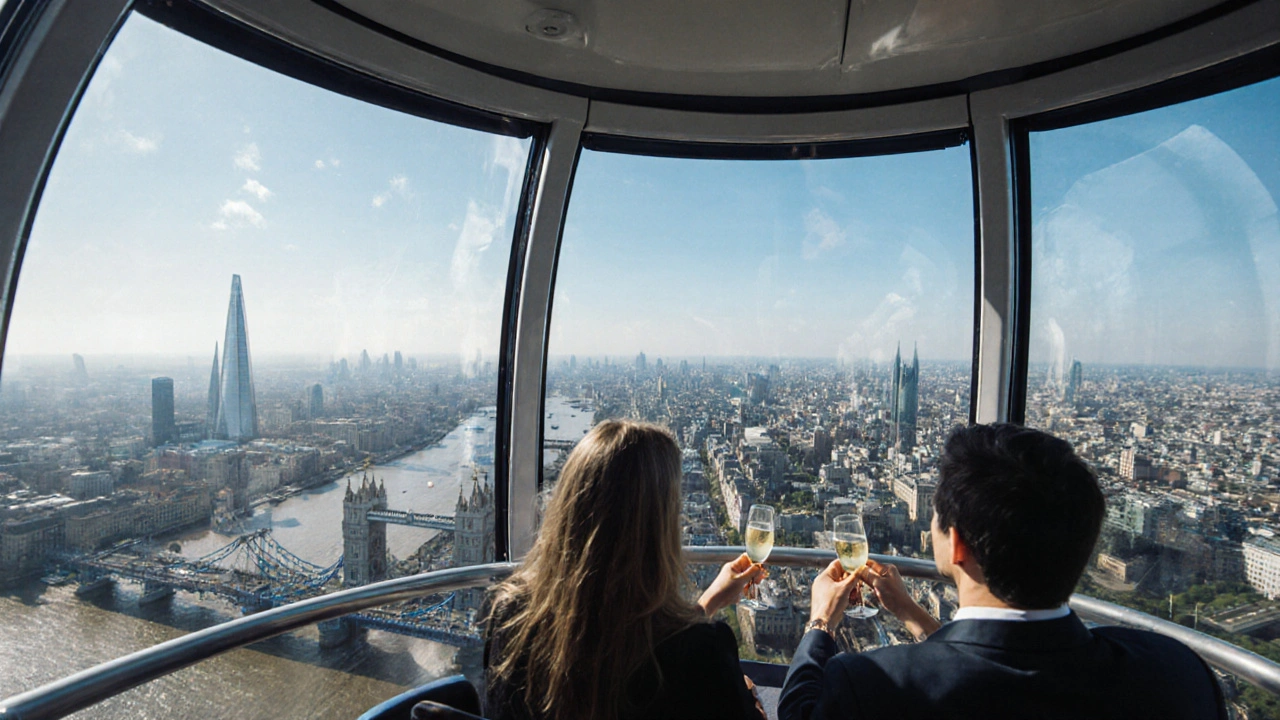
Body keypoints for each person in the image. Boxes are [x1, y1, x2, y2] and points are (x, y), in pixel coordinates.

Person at [779, 423, 1228, 720]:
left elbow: (798, 711)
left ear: (957, 544)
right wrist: (916, 616)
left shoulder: (872, 686)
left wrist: (821, 621)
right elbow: (997, 662)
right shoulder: (1178, 675)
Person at [483, 419, 767, 720]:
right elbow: (653, 654)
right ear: (660, 528)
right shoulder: (703, 654)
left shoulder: (510, 616)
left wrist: (708, 604)